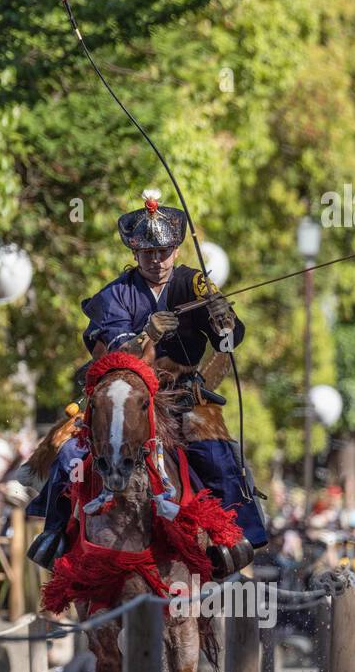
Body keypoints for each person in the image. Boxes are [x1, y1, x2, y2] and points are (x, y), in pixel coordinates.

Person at [27, 188, 267, 572]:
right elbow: (115, 355)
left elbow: (228, 341)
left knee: (218, 454)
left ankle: (236, 535)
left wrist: (224, 320)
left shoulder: (195, 285)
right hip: (125, 393)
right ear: (135, 254)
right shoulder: (114, 296)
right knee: (72, 453)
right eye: (148, 254)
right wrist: (148, 335)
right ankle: (55, 534)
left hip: (182, 396)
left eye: (164, 252)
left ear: (176, 249)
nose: (156, 261)